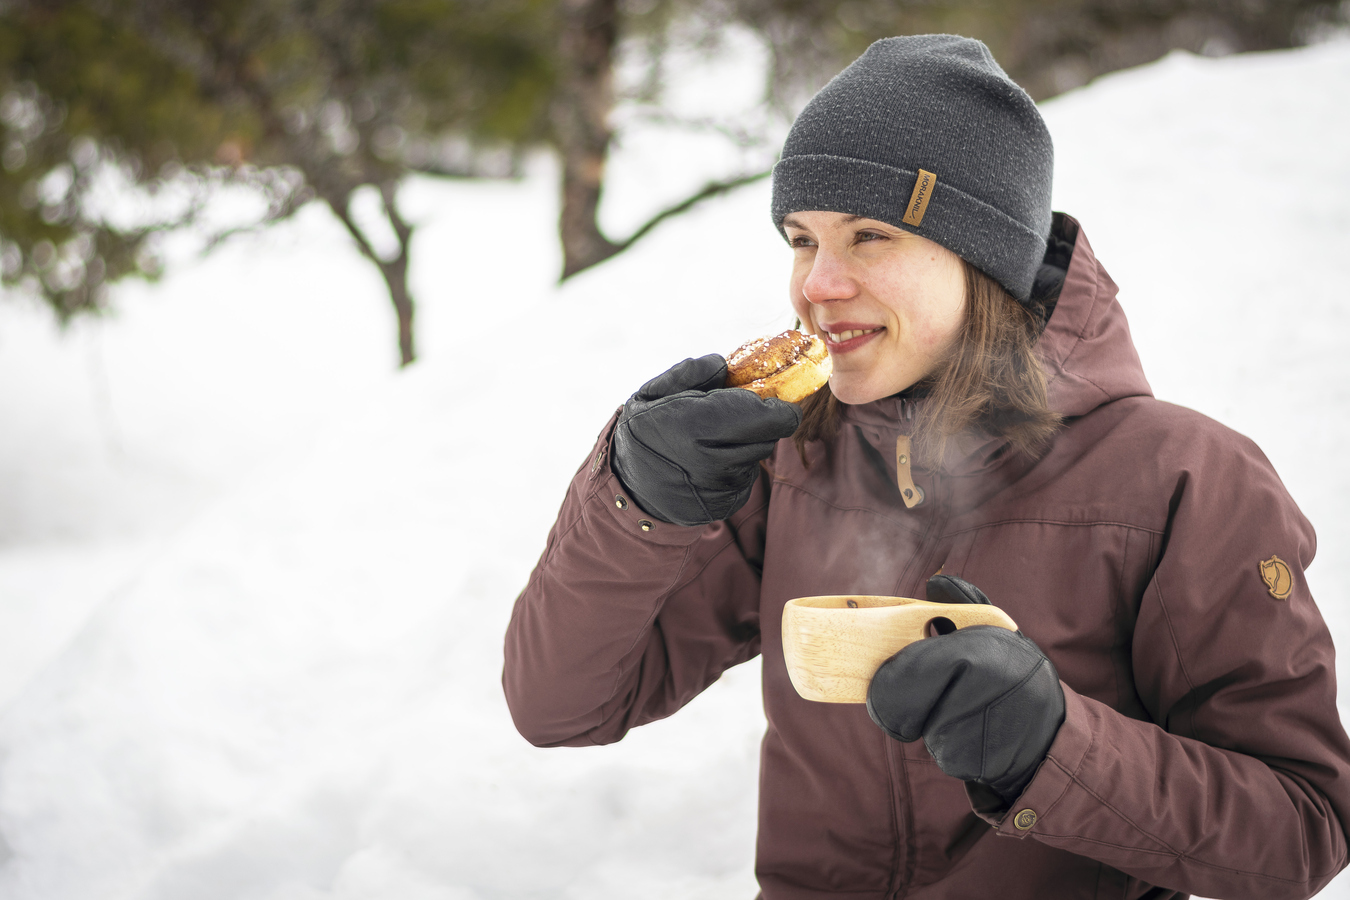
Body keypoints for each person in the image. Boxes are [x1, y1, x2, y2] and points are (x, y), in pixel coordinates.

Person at [503, 34, 1350, 899]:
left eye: (869, 236)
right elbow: (561, 707)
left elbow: (1302, 829)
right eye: (801, 240)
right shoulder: (789, 454)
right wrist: (636, 502)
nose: (817, 286)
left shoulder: (1182, 479)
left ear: (983, 255)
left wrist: (1054, 748)